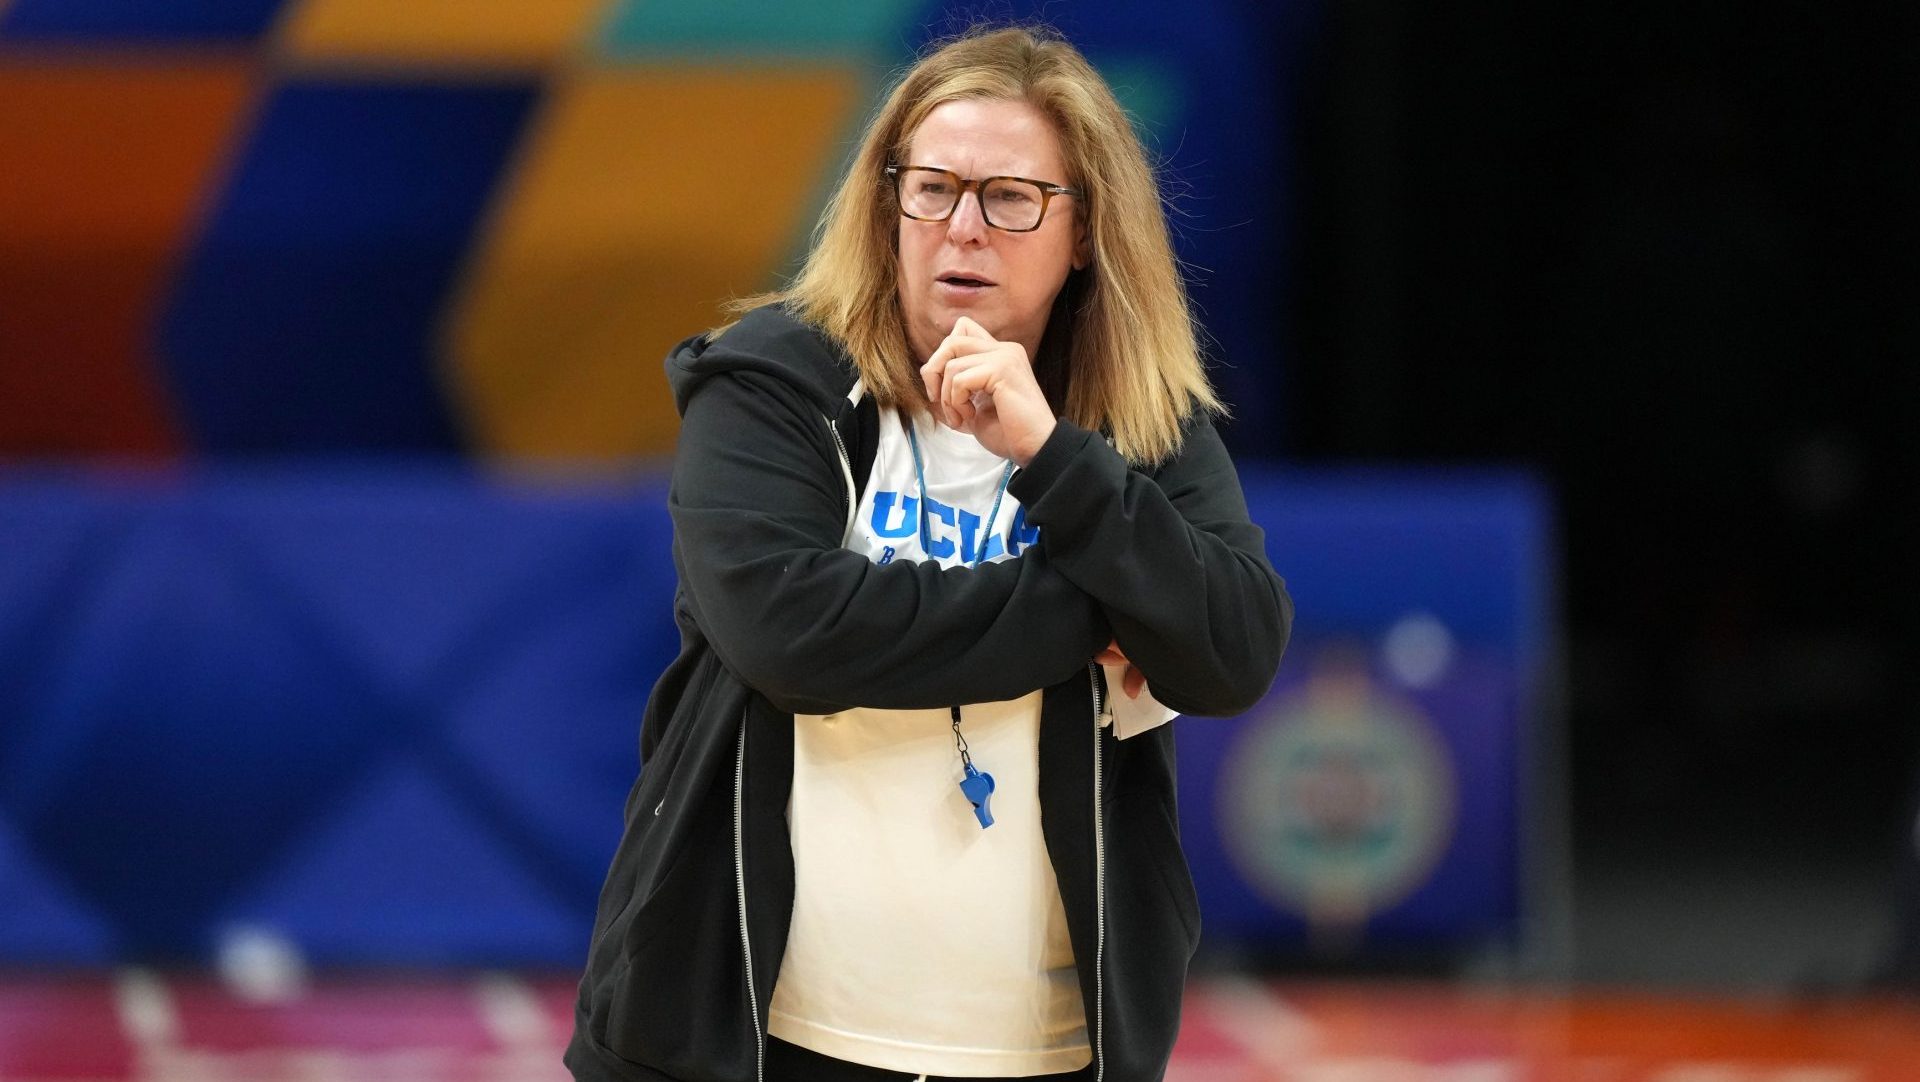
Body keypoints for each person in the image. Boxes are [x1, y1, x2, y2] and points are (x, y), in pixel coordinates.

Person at [566, 25, 1292, 1082]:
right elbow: (795, 636)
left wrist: (1051, 454)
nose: (963, 227)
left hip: (1041, 1046)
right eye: (933, 188)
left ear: (1083, 231)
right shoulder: (772, 384)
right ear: (886, 202)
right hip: (752, 1034)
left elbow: (1235, 647)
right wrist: (1106, 606)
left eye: (1009, 197)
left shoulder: (1138, 426)